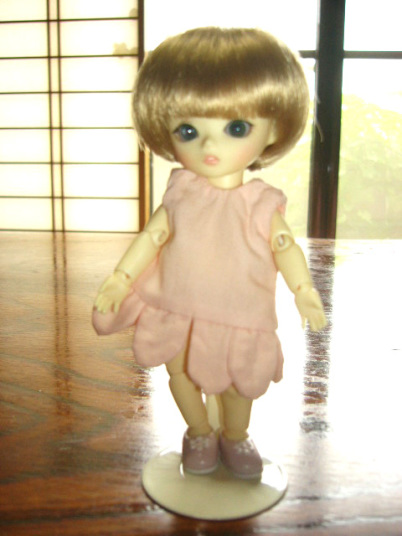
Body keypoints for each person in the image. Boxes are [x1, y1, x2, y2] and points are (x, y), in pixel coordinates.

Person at [93, 27, 327, 479]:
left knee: (240, 384)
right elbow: (152, 236)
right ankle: (198, 431)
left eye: (236, 128)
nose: (209, 146)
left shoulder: (260, 202)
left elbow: (285, 245)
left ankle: (236, 436)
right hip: (176, 307)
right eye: (188, 130)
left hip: (239, 313)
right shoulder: (180, 192)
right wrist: (121, 279)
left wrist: (303, 290)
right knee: (180, 373)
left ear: (274, 128)